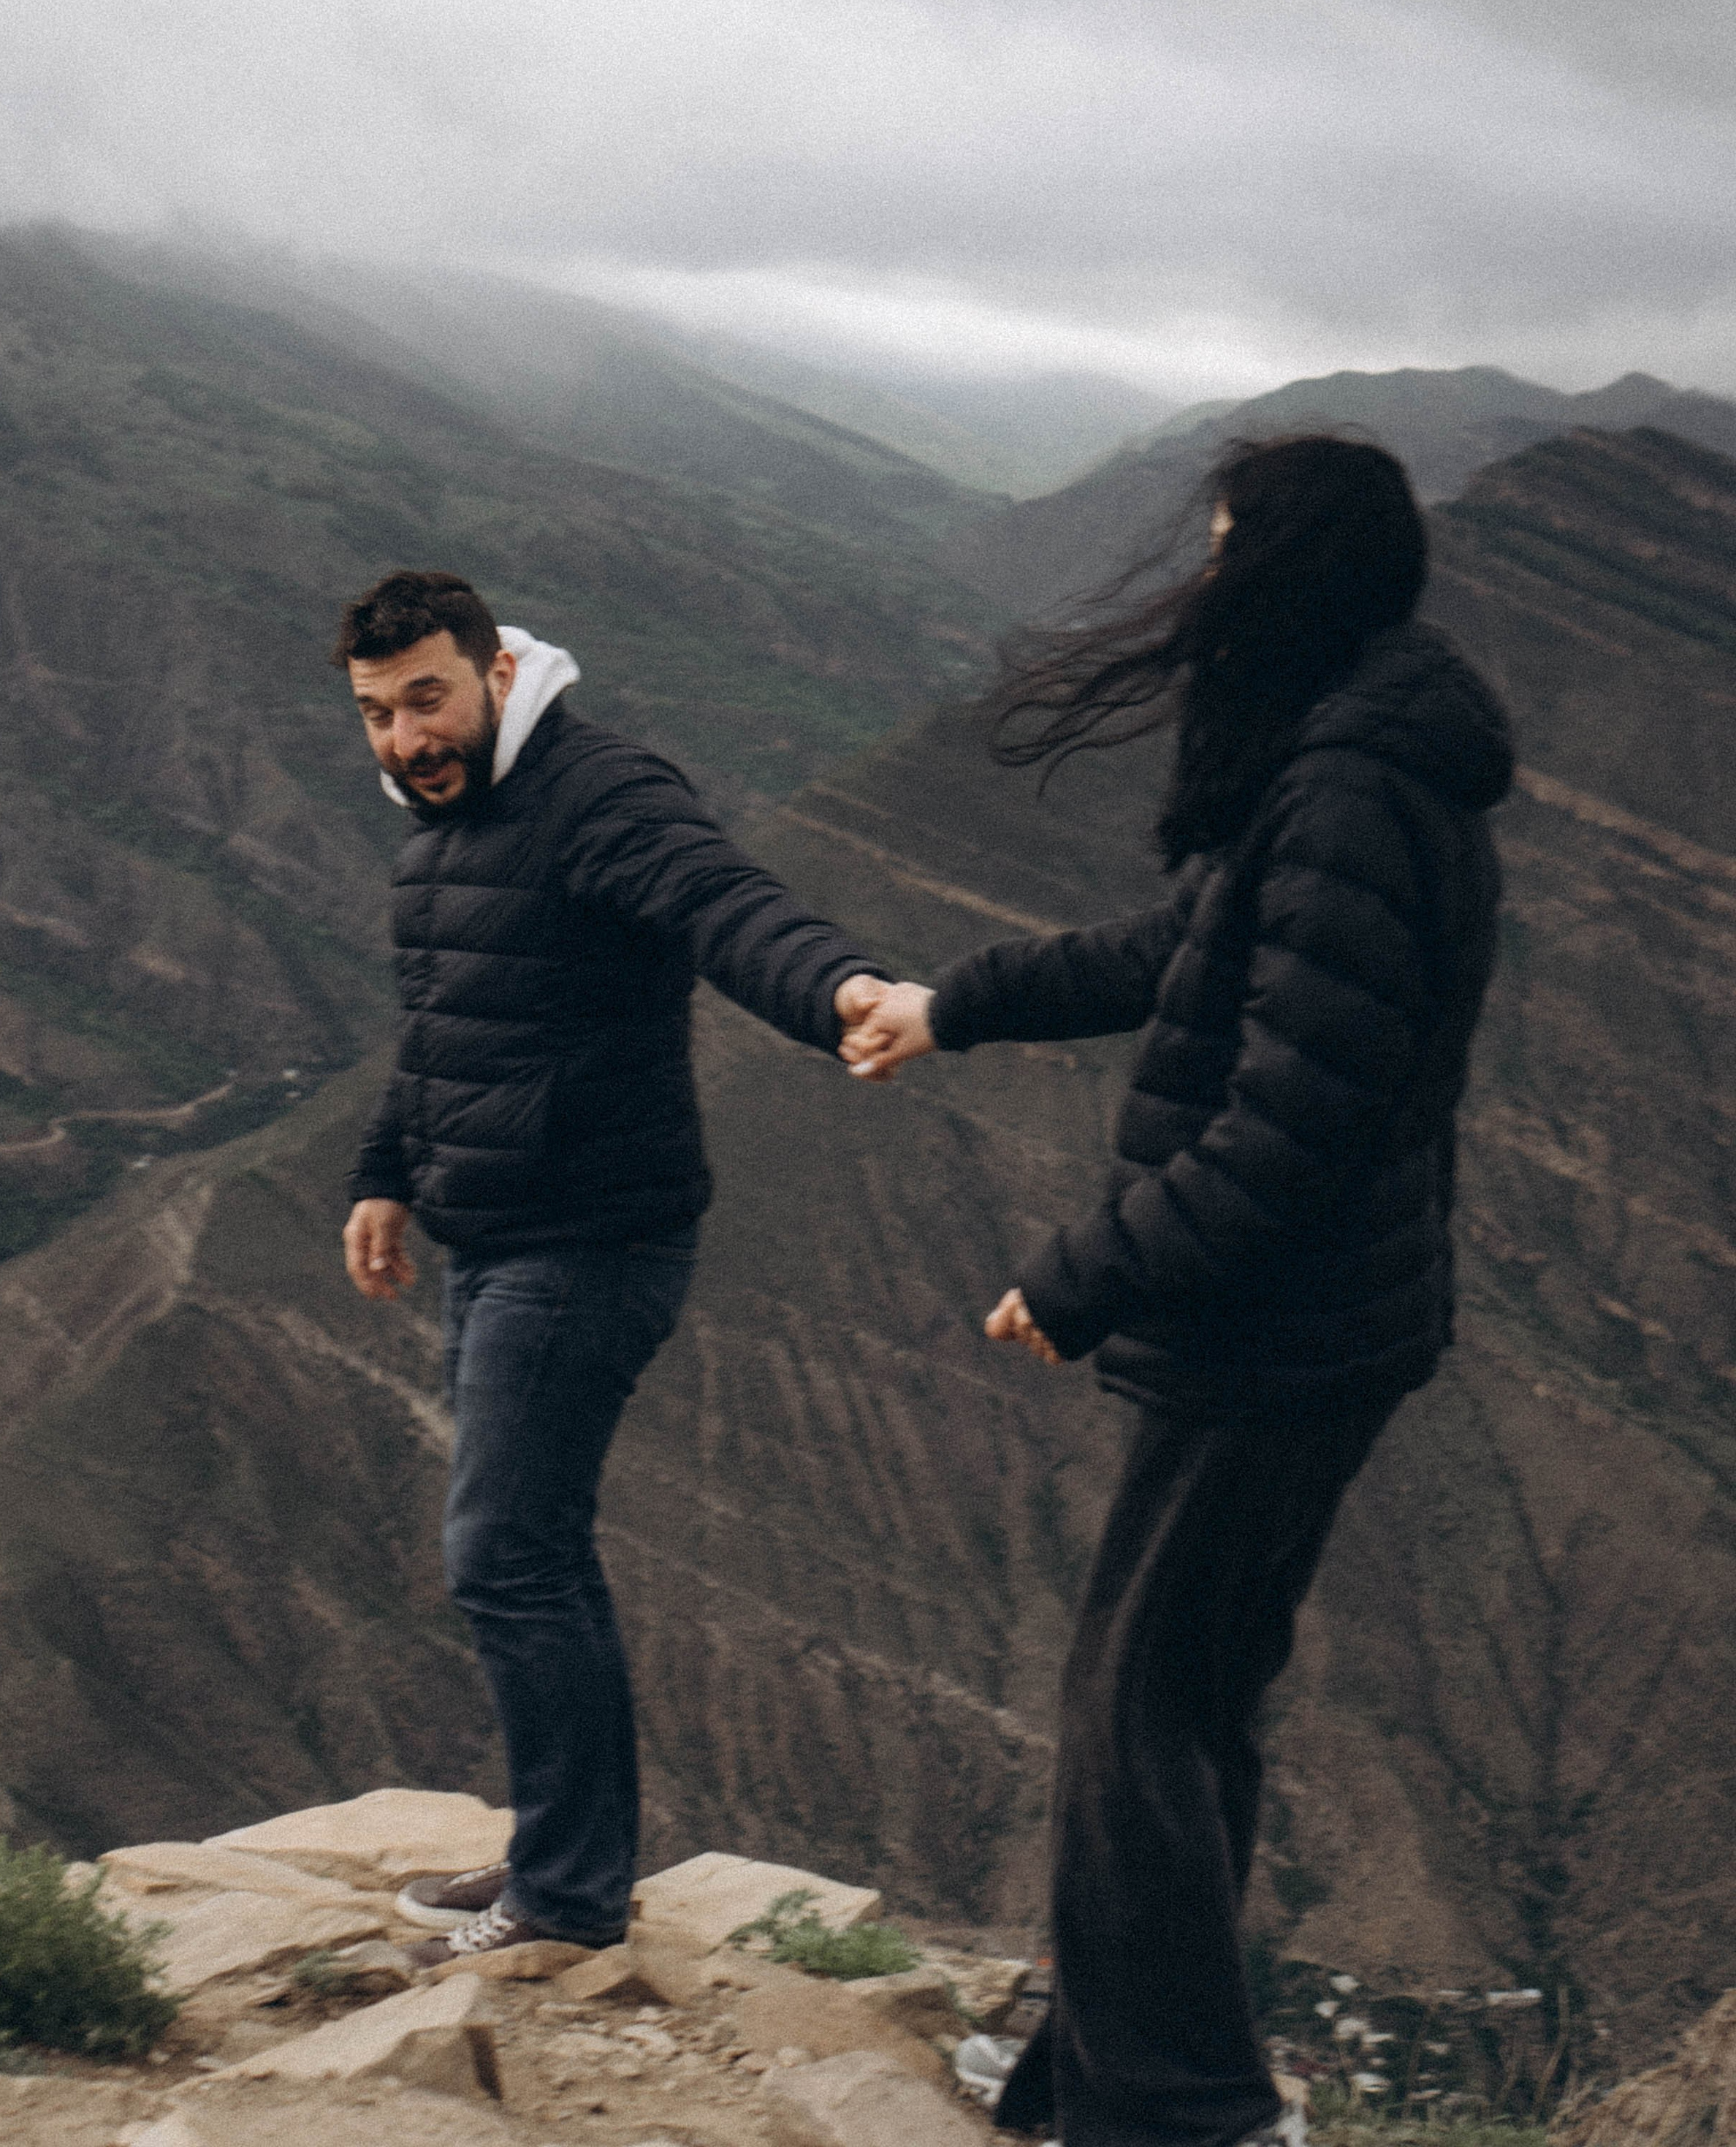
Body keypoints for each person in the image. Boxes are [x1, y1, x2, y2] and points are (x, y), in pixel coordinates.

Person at [840, 436, 1513, 2147]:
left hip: (1276, 1334)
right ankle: (1113, 2072)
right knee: (1184, 1701)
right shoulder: (1342, 762)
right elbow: (1172, 953)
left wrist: (1084, 1274)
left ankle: (1188, 2113)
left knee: (1133, 1710)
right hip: (1305, 1325)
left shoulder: (1351, 794)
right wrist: (950, 1006)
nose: (1201, 585)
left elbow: (1288, 1130)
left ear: (1283, 574)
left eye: (1223, 552)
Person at [335, 569, 888, 1960]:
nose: (408, 738)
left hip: (590, 1242)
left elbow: (727, 905)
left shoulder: (598, 794)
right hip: (496, 1236)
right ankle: (556, 1858)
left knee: (502, 1556)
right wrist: (385, 1173)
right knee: (536, 1552)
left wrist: (839, 991)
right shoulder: (454, 831)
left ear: (497, 676)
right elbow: (454, 1020)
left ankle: (566, 1900)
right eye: (379, 714)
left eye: (428, 700)